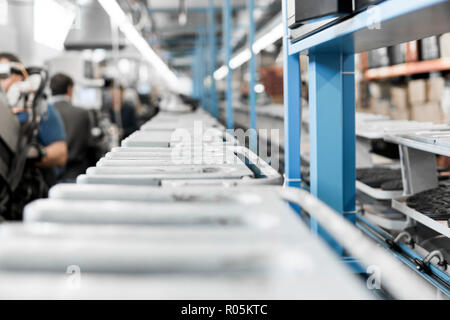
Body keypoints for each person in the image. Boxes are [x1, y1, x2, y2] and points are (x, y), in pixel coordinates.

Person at [0, 52, 67, 185]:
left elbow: (60, 154)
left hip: (30, 189)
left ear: (19, 77)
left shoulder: (39, 109)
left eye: (3, 77)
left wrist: (32, 154)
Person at [50, 73, 91, 181]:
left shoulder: (44, 114)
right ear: (70, 89)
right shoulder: (82, 113)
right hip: (75, 174)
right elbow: (89, 145)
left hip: (50, 176)